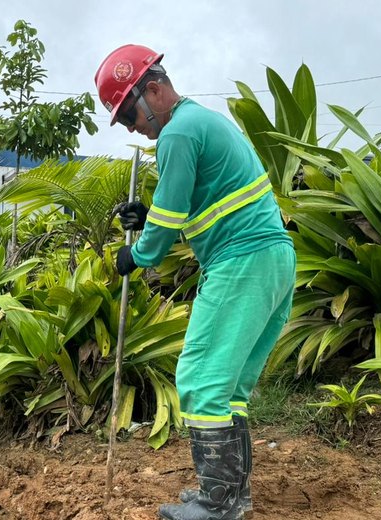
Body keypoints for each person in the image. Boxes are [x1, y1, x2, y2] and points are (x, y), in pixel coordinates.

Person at [95, 45, 296, 520]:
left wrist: (136, 253)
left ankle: (218, 503)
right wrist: (150, 216)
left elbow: (165, 227)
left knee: (201, 378)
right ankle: (232, 496)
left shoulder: (177, 133)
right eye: (122, 120)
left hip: (241, 260)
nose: (130, 127)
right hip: (271, 259)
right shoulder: (201, 123)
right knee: (229, 388)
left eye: (128, 112)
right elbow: (190, 208)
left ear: (155, 89)